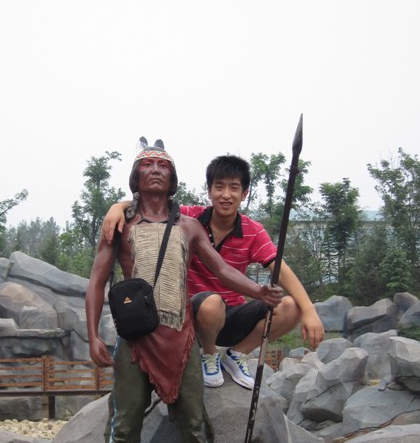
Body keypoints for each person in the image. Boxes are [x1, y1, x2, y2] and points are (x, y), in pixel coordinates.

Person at [86, 141, 282, 443]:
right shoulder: (120, 225)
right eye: (147, 165)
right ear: (135, 177)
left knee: (194, 428)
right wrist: (91, 335)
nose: (156, 170)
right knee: (123, 429)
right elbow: (97, 280)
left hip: (181, 339)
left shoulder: (189, 228)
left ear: (173, 178)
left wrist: (258, 292)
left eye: (163, 165)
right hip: (135, 342)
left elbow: (221, 269)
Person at [103, 154, 324, 390]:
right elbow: (152, 204)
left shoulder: (253, 231)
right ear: (209, 191)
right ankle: (209, 354)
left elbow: (281, 270)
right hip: (194, 316)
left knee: (292, 306)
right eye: (219, 187)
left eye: (234, 188)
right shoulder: (187, 217)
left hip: (233, 315)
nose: (226, 195)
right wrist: (119, 207)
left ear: (244, 193)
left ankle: (237, 354)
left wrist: (309, 310)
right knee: (212, 303)